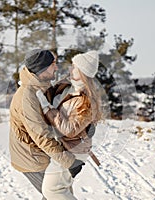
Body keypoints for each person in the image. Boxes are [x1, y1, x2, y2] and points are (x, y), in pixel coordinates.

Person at [9, 49, 85, 199]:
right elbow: (42, 137)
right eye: (52, 64)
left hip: (42, 153)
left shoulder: (39, 85)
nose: (56, 68)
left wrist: (74, 78)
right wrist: (70, 162)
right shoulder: (27, 98)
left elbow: (53, 93)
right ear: (41, 68)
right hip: (32, 159)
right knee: (57, 193)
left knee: (57, 193)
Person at [36, 50, 102, 200]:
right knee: (63, 189)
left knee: (52, 190)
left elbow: (69, 130)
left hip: (73, 150)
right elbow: (50, 94)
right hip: (62, 147)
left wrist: (46, 107)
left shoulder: (86, 100)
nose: (70, 69)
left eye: (75, 67)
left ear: (83, 72)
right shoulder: (67, 86)